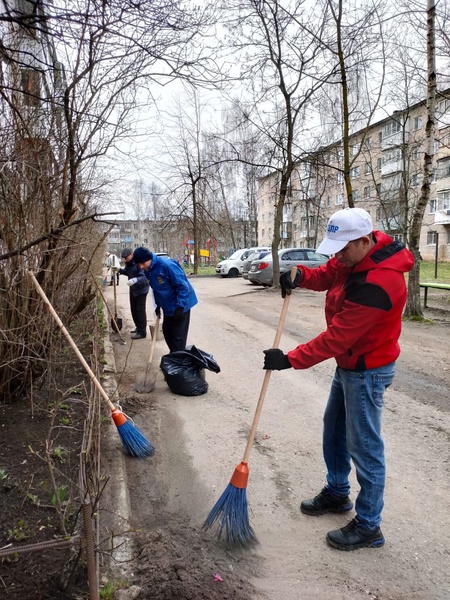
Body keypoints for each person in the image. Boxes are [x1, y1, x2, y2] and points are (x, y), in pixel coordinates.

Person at [263, 207, 414, 551]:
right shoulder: (353, 257)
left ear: (364, 240)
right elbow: (327, 274)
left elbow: (337, 338)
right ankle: (337, 492)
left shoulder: (380, 282)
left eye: (342, 249)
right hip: (350, 363)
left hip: (367, 370)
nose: (337, 257)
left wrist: (288, 359)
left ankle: (369, 524)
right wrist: (299, 274)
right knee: (334, 427)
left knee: (364, 445)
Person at [132, 247, 198, 352]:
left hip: (181, 305)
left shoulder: (167, 265)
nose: (140, 267)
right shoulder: (148, 270)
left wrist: (180, 307)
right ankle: (175, 357)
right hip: (168, 306)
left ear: (148, 259)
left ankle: (178, 362)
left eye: (141, 263)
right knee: (167, 333)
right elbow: (157, 288)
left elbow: (183, 287)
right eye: (138, 264)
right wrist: (158, 305)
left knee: (178, 338)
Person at [119, 248, 149, 340]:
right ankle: (138, 327)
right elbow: (128, 272)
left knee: (140, 311)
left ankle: (142, 332)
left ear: (131, 255)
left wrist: (135, 280)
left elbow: (144, 278)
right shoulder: (128, 264)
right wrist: (119, 270)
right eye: (123, 258)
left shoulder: (138, 263)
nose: (125, 259)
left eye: (126, 257)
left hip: (141, 290)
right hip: (133, 289)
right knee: (134, 309)